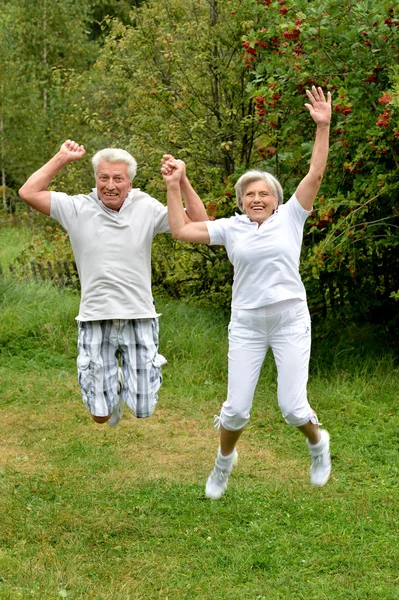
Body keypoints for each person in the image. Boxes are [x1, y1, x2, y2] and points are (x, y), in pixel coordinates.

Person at [161, 86, 332, 499]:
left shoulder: (292, 216)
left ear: (276, 200)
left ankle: (317, 442)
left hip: (290, 319)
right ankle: (223, 463)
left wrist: (323, 127)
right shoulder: (232, 227)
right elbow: (183, 229)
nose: (257, 198)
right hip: (247, 324)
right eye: (249, 194)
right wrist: (176, 183)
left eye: (264, 193)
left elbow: (315, 174)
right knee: (235, 409)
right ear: (241, 202)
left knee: (292, 407)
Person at [19, 141, 208, 426]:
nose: (110, 185)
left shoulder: (146, 206)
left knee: (144, 409)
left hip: (139, 317)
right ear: (95, 179)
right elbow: (28, 192)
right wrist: (62, 157)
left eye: (118, 178)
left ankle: (119, 382)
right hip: (95, 317)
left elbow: (200, 223)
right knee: (100, 416)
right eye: (103, 177)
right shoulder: (76, 207)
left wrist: (180, 181)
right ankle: (111, 391)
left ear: (129, 183)